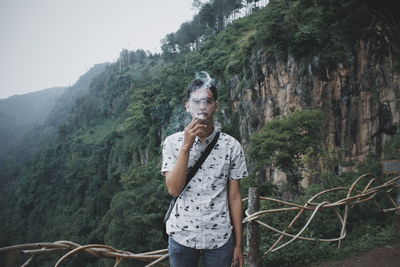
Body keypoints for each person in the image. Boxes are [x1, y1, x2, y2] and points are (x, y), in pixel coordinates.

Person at [161, 71, 248, 267]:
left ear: (215, 106)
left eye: (208, 101)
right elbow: (173, 189)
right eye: (196, 101)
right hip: (182, 236)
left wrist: (239, 244)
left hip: (220, 239)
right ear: (187, 106)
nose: (202, 106)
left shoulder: (231, 146)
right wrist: (186, 145)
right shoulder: (172, 143)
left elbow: (234, 197)